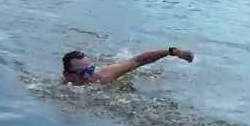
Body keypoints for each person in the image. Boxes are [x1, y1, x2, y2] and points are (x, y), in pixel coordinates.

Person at [62, 47, 195, 86]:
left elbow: (138, 60)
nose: (87, 76)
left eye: (90, 70)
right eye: (80, 73)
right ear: (67, 75)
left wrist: (172, 52)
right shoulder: (61, 88)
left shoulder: (104, 76)